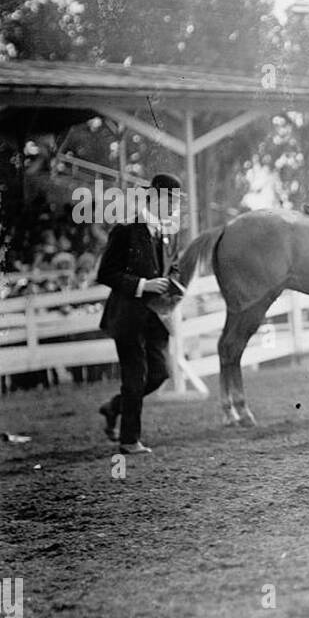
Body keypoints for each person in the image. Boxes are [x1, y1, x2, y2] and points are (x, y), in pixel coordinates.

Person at [96, 173, 183, 454]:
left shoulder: (167, 231)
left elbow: (173, 266)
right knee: (135, 376)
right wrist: (143, 285)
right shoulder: (125, 229)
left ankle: (114, 408)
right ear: (155, 197)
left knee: (159, 374)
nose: (174, 207)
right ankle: (129, 440)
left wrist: (172, 283)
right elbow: (105, 273)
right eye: (171, 200)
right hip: (127, 316)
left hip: (155, 317)